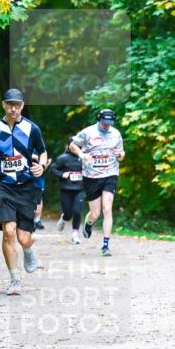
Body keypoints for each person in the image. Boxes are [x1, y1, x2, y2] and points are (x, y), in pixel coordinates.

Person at [0, 89, 48, 295]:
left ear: (22, 106)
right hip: (4, 186)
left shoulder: (32, 128)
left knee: (23, 238)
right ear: (4, 104)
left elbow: (43, 152)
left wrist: (41, 166)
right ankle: (15, 280)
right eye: (10, 105)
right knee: (8, 231)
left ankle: (28, 248)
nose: (13, 109)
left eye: (17, 105)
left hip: (27, 187)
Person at [69, 108, 125, 256]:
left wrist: (120, 155)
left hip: (110, 174)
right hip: (91, 176)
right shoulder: (88, 132)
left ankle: (105, 246)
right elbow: (72, 145)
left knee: (107, 209)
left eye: (109, 123)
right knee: (95, 213)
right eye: (104, 123)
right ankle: (89, 223)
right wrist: (82, 154)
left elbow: (121, 154)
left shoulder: (116, 134)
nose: (106, 126)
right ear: (99, 120)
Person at [50, 141, 86, 245]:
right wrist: (62, 174)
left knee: (77, 211)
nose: (77, 148)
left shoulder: (85, 158)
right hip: (66, 189)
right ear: (69, 147)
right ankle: (64, 218)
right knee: (68, 214)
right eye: (74, 146)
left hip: (81, 189)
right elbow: (52, 170)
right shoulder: (63, 158)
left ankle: (75, 235)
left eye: (79, 146)